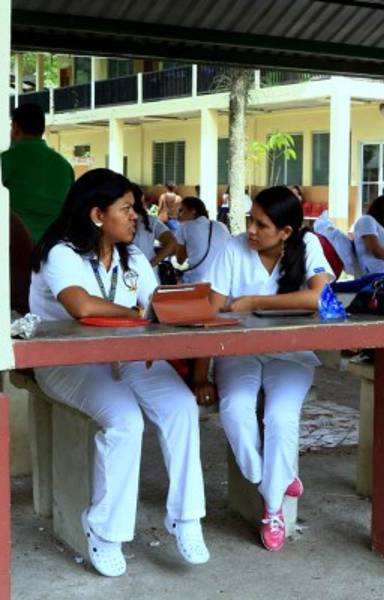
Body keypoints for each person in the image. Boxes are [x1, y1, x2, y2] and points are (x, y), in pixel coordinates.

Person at [28, 169, 209, 577]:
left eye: (135, 210)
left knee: (180, 405)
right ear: (97, 214)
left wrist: (183, 311)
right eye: (126, 209)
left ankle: (186, 517)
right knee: (126, 420)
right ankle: (105, 531)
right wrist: (137, 317)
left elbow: (157, 302)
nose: (136, 218)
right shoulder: (62, 253)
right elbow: (83, 306)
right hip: (67, 361)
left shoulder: (132, 256)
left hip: (128, 355)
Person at [197, 186, 334, 552]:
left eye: (261, 224)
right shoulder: (234, 248)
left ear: (286, 232)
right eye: (250, 221)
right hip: (238, 353)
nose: (251, 230)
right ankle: (271, 479)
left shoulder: (308, 247)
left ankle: (272, 508)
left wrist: (253, 301)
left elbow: (320, 298)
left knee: (280, 417)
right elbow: (210, 309)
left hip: (291, 354)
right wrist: (200, 373)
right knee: (235, 409)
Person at [2, 103, 74, 242]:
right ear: (42, 129)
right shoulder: (65, 166)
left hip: (14, 247)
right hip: (53, 246)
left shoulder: (6, 160)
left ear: (16, 128)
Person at [175, 197, 231, 284]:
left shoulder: (184, 227)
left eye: (181, 210)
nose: (178, 215)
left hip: (198, 281)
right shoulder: (222, 226)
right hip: (223, 280)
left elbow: (180, 260)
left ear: (193, 211)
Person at [131, 184, 177, 271]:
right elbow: (172, 242)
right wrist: (153, 263)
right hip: (150, 273)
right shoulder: (150, 220)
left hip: (128, 274)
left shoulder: (163, 197)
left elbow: (160, 208)